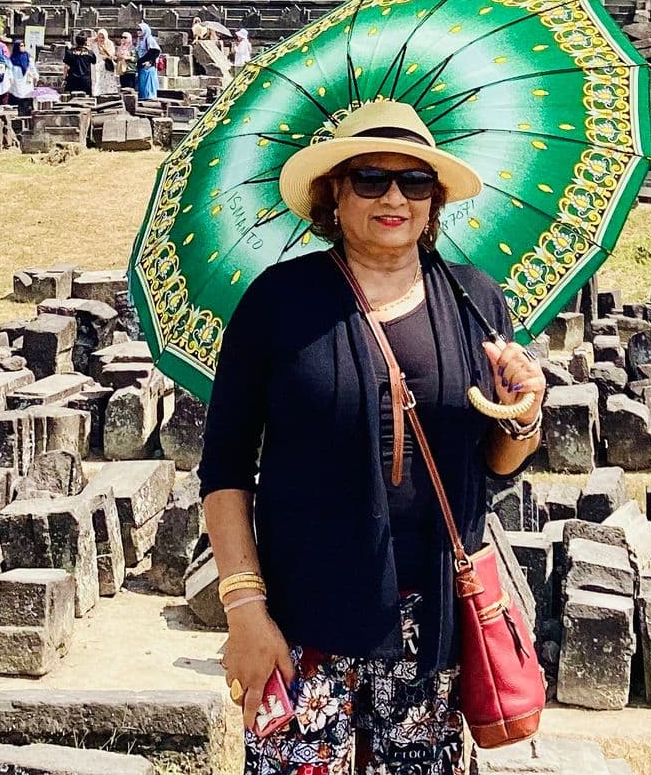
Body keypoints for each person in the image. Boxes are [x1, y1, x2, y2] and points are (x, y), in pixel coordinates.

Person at [202, 100, 546, 770]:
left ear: (435, 198)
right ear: (335, 193)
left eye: (414, 181)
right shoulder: (278, 303)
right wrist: (245, 608)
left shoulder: (474, 299)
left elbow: (498, 464)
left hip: (434, 622)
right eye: (370, 179)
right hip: (301, 618)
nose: (394, 197)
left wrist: (524, 414)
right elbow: (226, 466)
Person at [135, 22, 162, 104]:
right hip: (142, 66)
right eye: (137, 29)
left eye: (140, 29)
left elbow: (155, 51)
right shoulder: (140, 40)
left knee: (148, 86)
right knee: (142, 86)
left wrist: (150, 61)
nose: (138, 31)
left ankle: (150, 101)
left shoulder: (149, 39)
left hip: (148, 66)